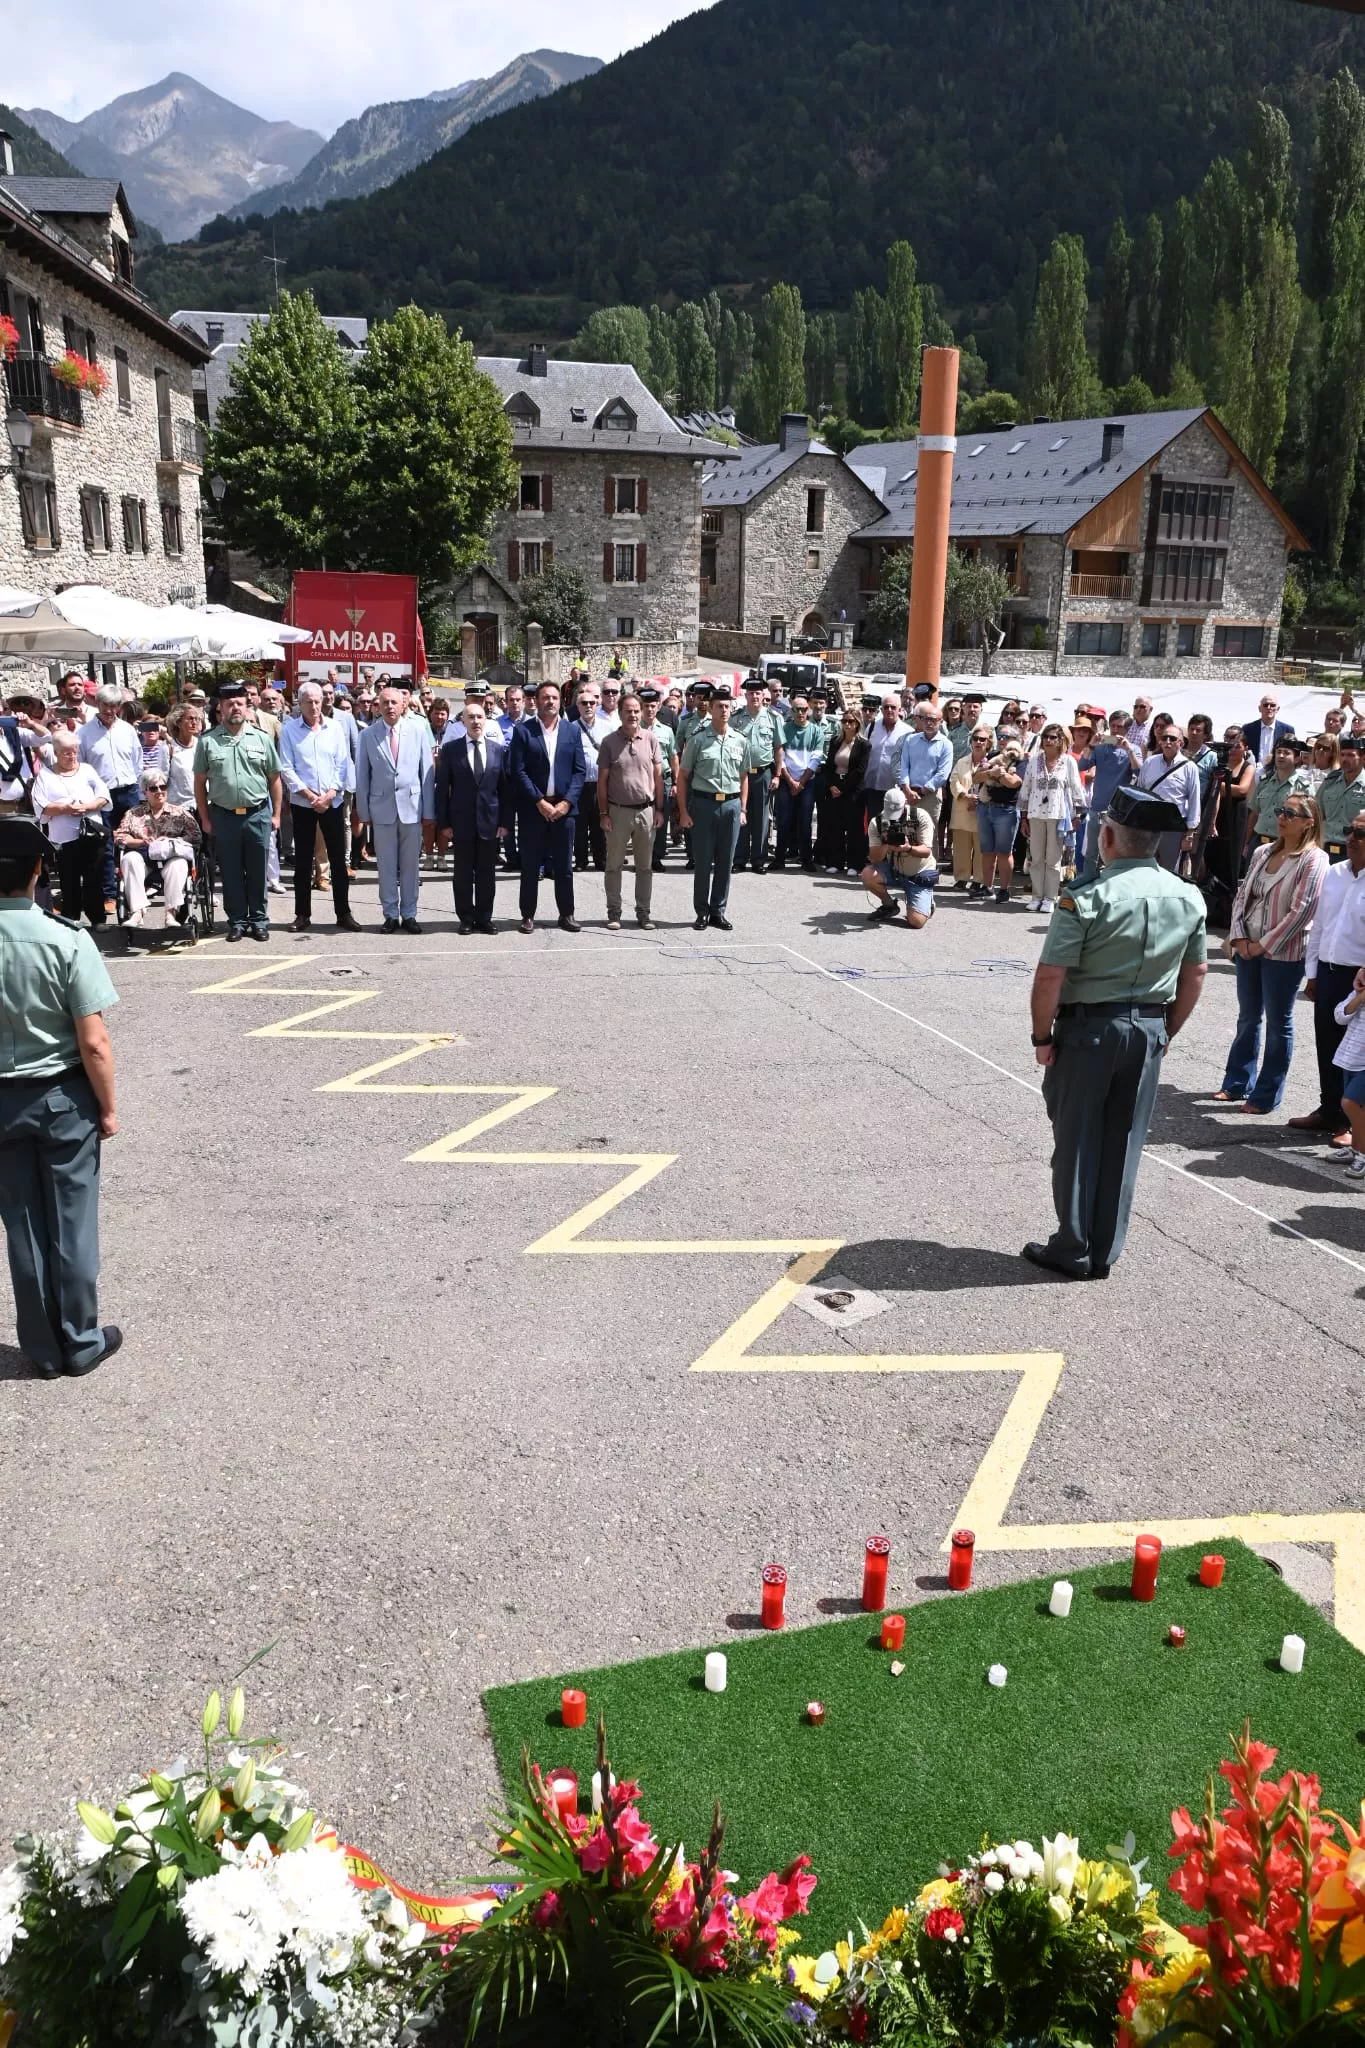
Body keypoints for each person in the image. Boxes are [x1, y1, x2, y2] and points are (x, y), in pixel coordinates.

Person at [1023, 787, 1207, 1280]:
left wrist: (1042, 1037)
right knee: (1123, 1141)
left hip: (1089, 1030)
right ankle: (1104, 1250)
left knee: (1077, 1141)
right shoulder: (1187, 895)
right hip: (1148, 1026)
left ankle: (1073, 1247)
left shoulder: (1086, 895)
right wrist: (1165, 1031)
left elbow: (1051, 976)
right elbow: (1195, 973)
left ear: (1107, 837)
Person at [0, 815, 121, 1377]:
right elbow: (93, 1041)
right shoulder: (64, 937)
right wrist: (109, 1107)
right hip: (61, 1096)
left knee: (22, 1228)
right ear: (37, 872)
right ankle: (80, 1339)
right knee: (72, 1222)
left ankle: (43, 1348)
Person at [1214, 794, 1328, 1115]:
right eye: (1281, 811)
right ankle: (1237, 1082)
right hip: (1247, 946)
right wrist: (1239, 936)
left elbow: (1302, 910)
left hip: (1284, 953)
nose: (1282, 817)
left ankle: (1266, 1094)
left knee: (1279, 1023)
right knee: (1248, 1016)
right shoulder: (1263, 852)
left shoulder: (1314, 859)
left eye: (1291, 814)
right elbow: (1242, 895)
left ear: (1309, 823)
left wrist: (1262, 944)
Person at [1291, 808, 1365, 1148]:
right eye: (1350, 830)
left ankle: (1353, 1123)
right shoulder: (1335, 873)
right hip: (1329, 971)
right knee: (1327, 1046)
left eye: (1361, 833)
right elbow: (1319, 925)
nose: (1351, 838)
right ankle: (1329, 1110)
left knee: (1357, 1055)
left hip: (1358, 979)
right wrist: (1312, 973)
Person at [194, 680, 282, 943]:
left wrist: (276, 815)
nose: (235, 708)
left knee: (257, 872)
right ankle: (237, 922)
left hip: (257, 814)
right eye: (230, 704)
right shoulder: (208, 741)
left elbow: (274, 779)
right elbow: (199, 783)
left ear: (247, 708)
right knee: (231, 873)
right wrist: (205, 819)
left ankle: (259, 921)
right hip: (224, 816)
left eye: (240, 704)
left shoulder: (261, 739)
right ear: (221, 709)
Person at [354, 682, 434, 934]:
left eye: (394, 702)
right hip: (382, 809)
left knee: (410, 867)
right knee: (386, 866)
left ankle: (409, 914)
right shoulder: (368, 735)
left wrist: (429, 811)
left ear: (403, 705)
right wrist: (364, 811)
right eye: (385, 702)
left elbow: (427, 773)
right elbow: (362, 776)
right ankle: (390, 914)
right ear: (377, 706)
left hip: (412, 807)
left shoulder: (418, 731)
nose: (389, 706)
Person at [280, 681, 359, 933]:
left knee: (338, 860)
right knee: (303, 862)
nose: (314, 706)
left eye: (317, 701)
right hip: (303, 803)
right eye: (308, 702)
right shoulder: (289, 730)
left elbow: (343, 763)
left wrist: (331, 793)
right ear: (299, 704)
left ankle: (343, 913)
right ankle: (302, 914)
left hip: (332, 802)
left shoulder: (334, 728)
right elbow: (286, 767)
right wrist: (308, 794)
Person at [510, 681, 587, 933]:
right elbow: (518, 770)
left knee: (564, 866)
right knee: (530, 865)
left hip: (564, 810)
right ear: (537, 701)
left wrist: (567, 802)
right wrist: (538, 800)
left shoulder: (572, 731)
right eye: (545, 697)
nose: (550, 701)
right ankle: (527, 915)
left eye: (554, 697)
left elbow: (579, 771)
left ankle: (566, 914)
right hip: (534, 809)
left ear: (560, 701)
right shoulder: (524, 731)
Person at [677, 682, 751, 931]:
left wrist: (742, 809)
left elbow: (743, 777)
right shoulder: (698, 740)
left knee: (725, 861)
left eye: (727, 707)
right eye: (719, 706)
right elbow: (683, 777)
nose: (724, 711)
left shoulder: (740, 740)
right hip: (704, 805)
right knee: (703, 861)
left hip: (731, 805)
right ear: (710, 708)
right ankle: (702, 912)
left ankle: (718, 911)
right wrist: (684, 812)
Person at [434, 696, 509, 934]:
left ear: (486, 720)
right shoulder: (451, 750)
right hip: (461, 822)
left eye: (480, 717)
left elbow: (505, 789)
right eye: (471, 717)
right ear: (463, 721)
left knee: (487, 874)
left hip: (490, 822)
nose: (476, 721)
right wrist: (444, 823)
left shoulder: (498, 750)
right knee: (463, 874)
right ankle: (466, 918)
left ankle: (485, 918)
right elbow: (442, 788)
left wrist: (505, 822)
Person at [598, 690, 664, 931]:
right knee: (614, 866)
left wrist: (660, 809)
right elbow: (602, 782)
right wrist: (603, 813)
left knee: (644, 867)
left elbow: (658, 777)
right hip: (618, 812)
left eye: (636, 711)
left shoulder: (651, 739)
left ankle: (643, 913)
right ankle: (614, 912)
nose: (633, 715)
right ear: (620, 713)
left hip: (646, 811)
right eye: (628, 711)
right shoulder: (609, 743)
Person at [32, 732, 111, 926]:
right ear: (56, 753)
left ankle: (98, 918)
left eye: (74, 752)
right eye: (66, 753)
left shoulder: (87, 770)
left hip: (91, 834)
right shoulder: (45, 775)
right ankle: (71, 919)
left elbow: (103, 795)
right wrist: (65, 809)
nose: (72, 756)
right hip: (63, 837)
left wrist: (89, 806)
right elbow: (41, 805)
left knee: (93, 877)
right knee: (69, 879)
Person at [78, 684, 144, 908]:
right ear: (97, 704)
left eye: (114, 705)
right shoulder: (84, 733)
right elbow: (82, 767)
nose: (110, 710)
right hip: (102, 796)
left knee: (134, 840)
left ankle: (136, 891)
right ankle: (110, 894)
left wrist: (135, 784)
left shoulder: (128, 730)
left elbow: (137, 761)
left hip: (129, 791)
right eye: (106, 705)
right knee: (105, 845)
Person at [113, 768, 201, 927]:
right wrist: (140, 842)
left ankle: (171, 914)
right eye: (153, 788)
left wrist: (172, 840)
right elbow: (120, 836)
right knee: (129, 859)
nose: (159, 791)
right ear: (145, 792)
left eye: (163, 787)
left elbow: (195, 837)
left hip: (170, 858)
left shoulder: (179, 813)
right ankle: (137, 912)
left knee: (179, 863)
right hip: (143, 859)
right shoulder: (134, 813)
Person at [1018, 723, 1084, 913]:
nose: (1048, 740)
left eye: (1053, 737)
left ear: (1061, 740)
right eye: (1045, 736)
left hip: (1058, 814)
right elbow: (1026, 788)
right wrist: (1023, 817)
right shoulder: (1034, 761)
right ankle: (1036, 896)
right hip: (1035, 814)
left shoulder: (1068, 761)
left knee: (1053, 859)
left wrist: (1078, 815)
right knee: (1037, 858)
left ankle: (1050, 898)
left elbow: (1076, 787)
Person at [861, 786, 937, 929]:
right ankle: (889, 906)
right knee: (867, 874)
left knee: (916, 922)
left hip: (919, 873)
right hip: (895, 870)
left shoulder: (920, 817)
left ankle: (926, 902)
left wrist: (908, 848)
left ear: (905, 804)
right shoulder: (877, 822)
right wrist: (885, 845)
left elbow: (927, 851)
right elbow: (874, 859)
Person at [732, 676, 784, 873]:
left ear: (764, 695)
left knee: (762, 818)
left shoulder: (773, 718)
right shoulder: (736, 718)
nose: (754, 696)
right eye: (751, 693)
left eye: (758, 693)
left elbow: (778, 748)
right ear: (745, 695)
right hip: (740, 774)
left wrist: (777, 775)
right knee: (741, 813)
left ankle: (758, 860)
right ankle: (739, 859)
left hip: (763, 773)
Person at [1078, 713, 1138, 881]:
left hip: (1119, 812)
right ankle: (1087, 882)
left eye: (1120, 727)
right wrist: (1091, 745)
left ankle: (1112, 883)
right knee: (1091, 852)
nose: (1115, 730)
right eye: (1113, 726)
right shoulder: (1100, 746)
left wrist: (1129, 750)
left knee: (1117, 852)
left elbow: (1139, 771)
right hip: (1097, 808)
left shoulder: (1133, 749)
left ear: (1127, 729)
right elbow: (1082, 765)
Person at [1203, 727, 1257, 901]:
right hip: (1218, 814)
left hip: (1236, 817)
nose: (1233, 750)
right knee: (1213, 854)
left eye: (1237, 746)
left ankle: (1228, 899)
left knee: (1231, 858)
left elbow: (1242, 790)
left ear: (1245, 748)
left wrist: (1219, 786)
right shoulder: (1219, 765)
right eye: (1230, 746)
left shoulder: (1248, 767)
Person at [972, 730, 1024, 902]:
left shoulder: (1021, 760)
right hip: (984, 807)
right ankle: (988, 888)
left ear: (1015, 740)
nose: (1002, 740)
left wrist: (998, 774)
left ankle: (1004, 890)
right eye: (999, 736)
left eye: (1006, 738)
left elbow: (1014, 783)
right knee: (987, 851)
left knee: (1004, 852)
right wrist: (991, 773)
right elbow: (976, 778)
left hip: (1006, 810)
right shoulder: (992, 756)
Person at [774, 692, 824, 870]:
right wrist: (790, 781)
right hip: (786, 781)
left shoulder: (816, 731)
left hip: (807, 782)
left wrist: (801, 782)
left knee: (805, 821)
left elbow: (816, 760)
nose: (800, 712)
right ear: (791, 711)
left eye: (803, 709)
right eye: (796, 709)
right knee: (783, 821)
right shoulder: (784, 729)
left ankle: (806, 859)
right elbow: (779, 758)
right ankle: (779, 858)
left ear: (808, 710)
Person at [817, 709, 870, 873]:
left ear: (857, 724)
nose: (847, 724)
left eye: (851, 721)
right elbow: (829, 766)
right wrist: (831, 786)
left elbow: (860, 770)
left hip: (853, 790)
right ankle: (835, 862)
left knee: (854, 828)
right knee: (834, 826)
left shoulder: (864, 745)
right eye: (844, 721)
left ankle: (854, 864)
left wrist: (843, 788)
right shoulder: (835, 741)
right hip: (834, 787)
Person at [900, 700, 953, 833]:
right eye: (926, 719)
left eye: (933, 720)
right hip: (909, 794)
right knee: (908, 833)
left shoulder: (946, 744)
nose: (929, 723)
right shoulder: (910, 740)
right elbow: (904, 766)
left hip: (931, 796)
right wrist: (907, 790)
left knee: (927, 835)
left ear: (941, 722)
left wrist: (921, 793)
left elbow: (943, 774)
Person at [1246, 737, 1306, 853]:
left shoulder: (1303, 787)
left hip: (1285, 845)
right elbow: (1254, 813)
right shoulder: (1264, 782)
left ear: (1297, 759)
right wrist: (1247, 842)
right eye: (1278, 752)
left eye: (1286, 753)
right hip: (1258, 842)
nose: (1281, 756)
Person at [948, 725, 990, 888]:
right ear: (970, 742)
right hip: (963, 809)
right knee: (961, 847)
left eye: (982, 739)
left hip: (983, 809)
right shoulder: (961, 762)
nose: (978, 742)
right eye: (975, 739)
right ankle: (962, 877)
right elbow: (954, 781)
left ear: (988, 743)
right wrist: (965, 796)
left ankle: (979, 880)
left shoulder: (992, 762)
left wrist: (979, 799)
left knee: (981, 848)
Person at [640, 687, 677, 872]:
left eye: (653, 706)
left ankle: (657, 856)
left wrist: (676, 782)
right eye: (646, 706)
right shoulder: (634, 729)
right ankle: (643, 857)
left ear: (658, 707)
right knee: (642, 819)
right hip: (641, 780)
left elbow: (673, 757)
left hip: (664, 779)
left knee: (661, 818)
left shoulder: (667, 731)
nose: (650, 709)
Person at [1316, 738, 1365, 861]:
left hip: (1356, 853)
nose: (1344, 759)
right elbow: (1317, 814)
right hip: (1325, 850)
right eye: (1342, 755)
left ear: (1362, 758)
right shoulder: (1330, 782)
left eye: (1350, 755)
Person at [1242, 691, 1294, 769]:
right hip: (1252, 770)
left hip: (1277, 771)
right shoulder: (1248, 729)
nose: (1269, 708)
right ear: (1260, 708)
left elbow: (1291, 754)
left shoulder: (1287, 730)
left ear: (1277, 709)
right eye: (1265, 705)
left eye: (1273, 705)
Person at [165, 702, 203, 809]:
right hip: (179, 807)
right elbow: (162, 778)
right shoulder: (169, 747)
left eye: (196, 719)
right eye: (190, 719)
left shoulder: (202, 745)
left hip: (202, 805)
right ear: (178, 722)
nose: (194, 722)